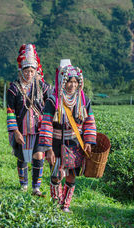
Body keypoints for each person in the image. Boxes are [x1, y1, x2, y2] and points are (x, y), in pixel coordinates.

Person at [38, 60, 96, 212]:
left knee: (71, 176)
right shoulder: (53, 101)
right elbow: (46, 124)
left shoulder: (83, 100)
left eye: (75, 82)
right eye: (69, 81)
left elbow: (89, 121)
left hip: (75, 143)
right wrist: (48, 149)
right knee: (56, 175)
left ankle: (65, 205)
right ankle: (55, 203)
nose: (72, 85)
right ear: (63, 82)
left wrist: (89, 141)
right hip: (56, 144)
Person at [6, 44, 51, 196]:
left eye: (32, 71)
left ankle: (36, 187)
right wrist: (15, 131)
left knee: (38, 155)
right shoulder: (14, 89)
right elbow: (10, 112)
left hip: (38, 128)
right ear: (22, 71)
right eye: (26, 71)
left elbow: (51, 102)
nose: (29, 74)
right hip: (21, 129)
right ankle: (23, 185)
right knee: (23, 157)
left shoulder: (42, 87)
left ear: (36, 71)